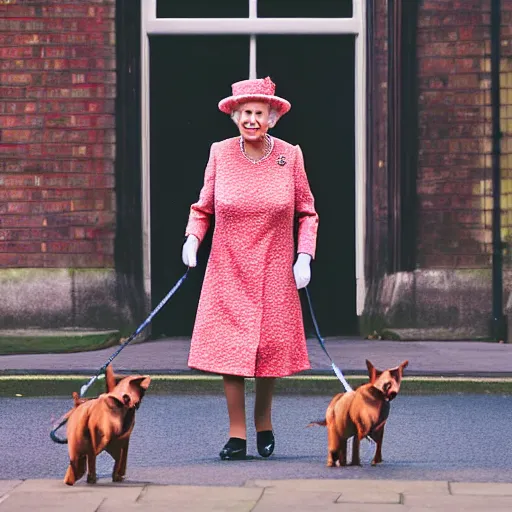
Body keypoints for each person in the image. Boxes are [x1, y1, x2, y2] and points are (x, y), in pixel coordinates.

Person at [182, 76, 319, 460]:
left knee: (268, 348)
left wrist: (304, 255)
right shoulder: (220, 153)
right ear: (235, 116)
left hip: (275, 266)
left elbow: (307, 214)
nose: (252, 119)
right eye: (246, 113)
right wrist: (193, 238)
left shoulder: (289, 155)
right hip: (228, 266)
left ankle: (264, 423)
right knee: (231, 350)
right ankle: (237, 434)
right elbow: (203, 207)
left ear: (272, 118)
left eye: (260, 113)